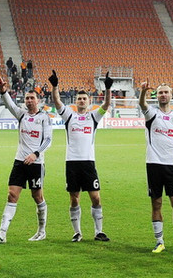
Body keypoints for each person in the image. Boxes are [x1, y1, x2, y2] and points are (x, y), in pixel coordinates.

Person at [50, 69, 113, 242]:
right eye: (79, 98)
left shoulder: (93, 116)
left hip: (88, 163)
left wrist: (108, 89)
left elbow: (106, 105)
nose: (82, 100)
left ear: (89, 101)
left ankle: (98, 231)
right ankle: (77, 232)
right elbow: (56, 102)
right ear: (75, 101)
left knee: (95, 197)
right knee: (74, 198)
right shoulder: (69, 115)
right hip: (72, 163)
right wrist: (55, 86)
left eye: (84, 98)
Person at [138, 81, 173, 254]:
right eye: (160, 92)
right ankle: (159, 242)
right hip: (154, 164)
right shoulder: (151, 114)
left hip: (171, 166)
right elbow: (142, 103)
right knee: (156, 203)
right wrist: (143, 92)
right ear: (157, 96)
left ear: (171, 95)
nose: (163, 95)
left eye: (166, 92)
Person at [0, 75, 53, 243]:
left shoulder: (44, 118)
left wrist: (35, 154)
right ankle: (2, 233)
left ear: (38, 100)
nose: (28, 101)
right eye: (26, 98)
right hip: (19, 161)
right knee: (12, 195)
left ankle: (41, 231)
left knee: (37, 196)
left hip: (36, 163)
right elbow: (10, 105)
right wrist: (3, 90)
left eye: (32, 98)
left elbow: (48, 140)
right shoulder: (22, 115)